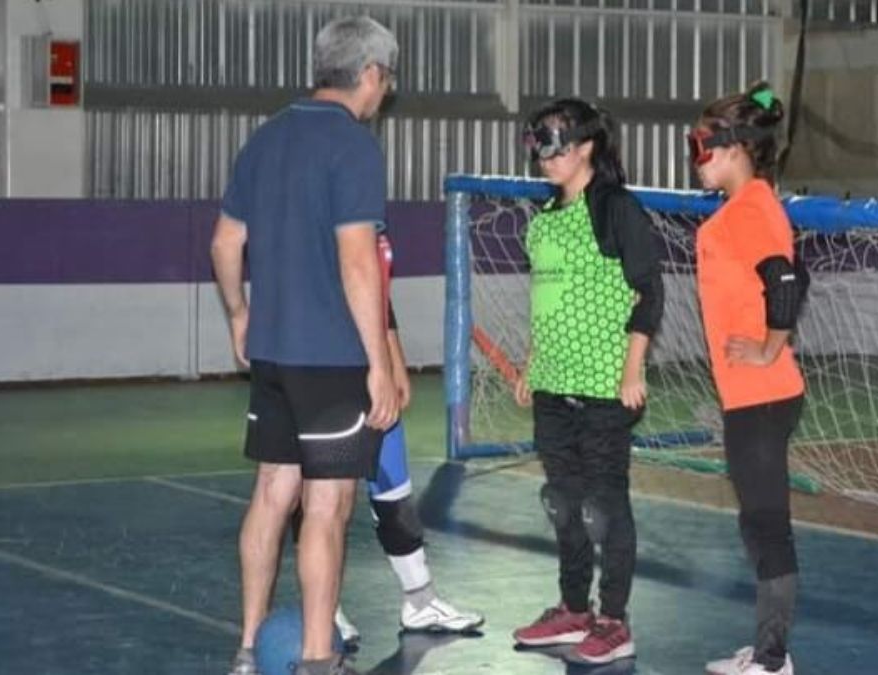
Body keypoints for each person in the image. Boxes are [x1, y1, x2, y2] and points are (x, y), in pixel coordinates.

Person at [210, 16, 400, 675]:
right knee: (328, 503)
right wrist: (379, 362)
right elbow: (357, 264)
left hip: (273, 354)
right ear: (369, 73)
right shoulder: (352, 146)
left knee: (271, 492)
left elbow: (224, 243)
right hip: (332, 357)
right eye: (386, 80)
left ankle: (248, 646)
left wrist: (239, 314)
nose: (384, 93)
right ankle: (318, 657)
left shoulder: (265, 138)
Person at [510, 98, 664, 665]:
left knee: (604, 506)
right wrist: (531, 363)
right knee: (564, 502)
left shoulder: (616, 209)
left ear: (587, 147)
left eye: (557, 146)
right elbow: (544, 302)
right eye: (541, 147)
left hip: (604, 384)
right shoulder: (546, 217)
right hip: (553, 383)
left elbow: (650, 290)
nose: (547, 159)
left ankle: (614, 620)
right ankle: (574, 609)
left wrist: (632, 369)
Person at [292, 242, 484, 640]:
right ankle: (324, 610)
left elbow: (376, 292)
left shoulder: (367, 213)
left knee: (393, 483)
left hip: (369, 364)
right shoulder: (321, 208)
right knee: (325, 499)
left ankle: (419, 599)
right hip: (328, 366)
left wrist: (393, 361)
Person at [687, 82, 808, 675]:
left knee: (767, 523)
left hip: (763, 395)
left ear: (736, 147)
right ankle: (765, 649)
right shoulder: (744, 209)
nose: (699, 160)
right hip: (748, 398)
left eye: (704, 146)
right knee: (756, 522)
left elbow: (786, 282)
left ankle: (772, 659)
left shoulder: (753, 209)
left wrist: (768, 349)